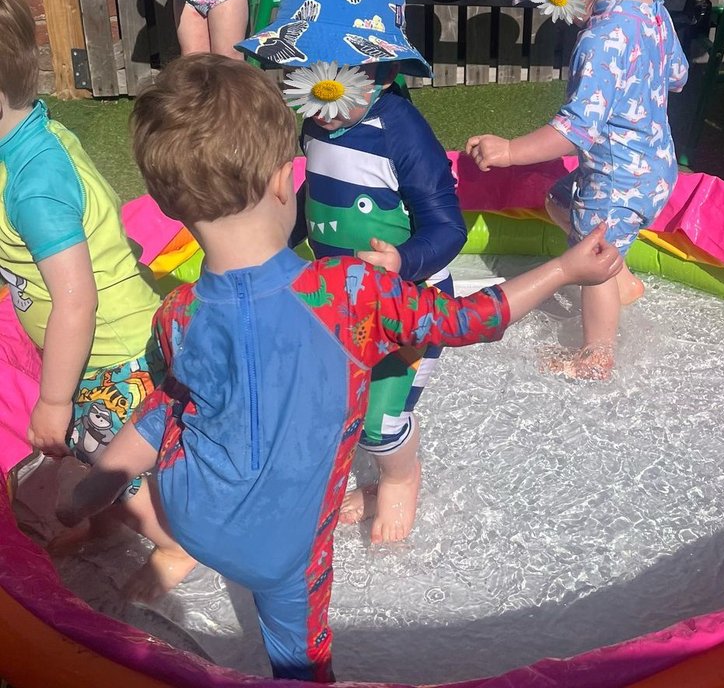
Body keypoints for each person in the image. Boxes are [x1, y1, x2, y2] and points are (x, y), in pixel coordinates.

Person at [54, 54, 623, 682]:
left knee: (178, 404)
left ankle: (110, 492)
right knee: (301, 666)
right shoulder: (349, 291)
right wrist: (566, 270)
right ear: (282, 181)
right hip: (284, 556)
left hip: (188, 516)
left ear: (167, 206)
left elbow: (170, 408)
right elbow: (472, 321)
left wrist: (100, 481)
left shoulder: (179, 313)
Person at [238, 0, 468, 545]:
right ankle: (345, 474)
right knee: (329, 395)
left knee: (382, 412)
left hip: (404, 299)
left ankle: (398, 479)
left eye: (330, 74)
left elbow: (447, 224)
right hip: (339, 292)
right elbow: (317, 190)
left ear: (380, 69)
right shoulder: (318, 122)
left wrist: (402, 262)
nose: (318, 94)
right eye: (303, 73)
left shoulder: (401, 132)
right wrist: (276, 243)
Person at [0, 0, 194, 598]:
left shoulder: (34, 186)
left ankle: (172, 543)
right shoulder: (31, 134)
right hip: (101, 351)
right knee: (96, 454)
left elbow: (75, 300)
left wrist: (52, 402)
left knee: (118, 460)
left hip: (114, 353)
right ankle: (109, 525)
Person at [466, 0, 688, 380]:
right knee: (557, 200)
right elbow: (677, 76)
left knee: (591, 256)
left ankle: (596, 356)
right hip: (655, 166)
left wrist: (507, 151)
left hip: (615, 178)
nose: (552, 4)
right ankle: (623, 281)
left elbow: (574, 133)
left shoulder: (601, 41)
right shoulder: (652, 10)